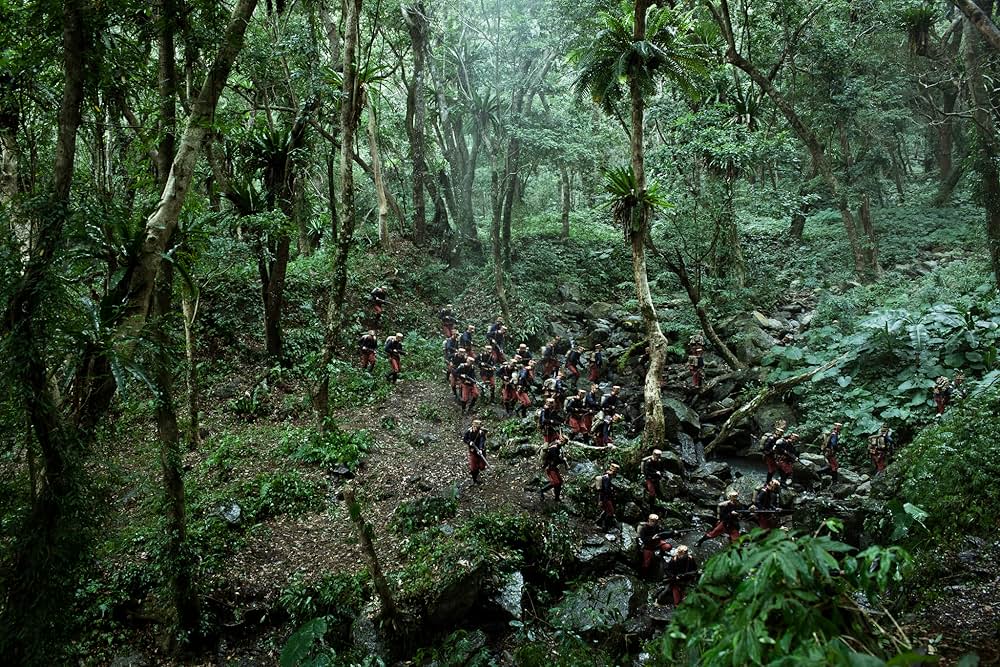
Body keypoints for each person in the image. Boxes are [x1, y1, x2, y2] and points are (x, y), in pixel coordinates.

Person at [637, 514, 672, 578]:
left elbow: (665, 533)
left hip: (657, 543)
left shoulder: (657, 527)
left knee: (668, 546)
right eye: (652, 521)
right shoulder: (644, 528)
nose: (654, 522)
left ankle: (662, 553)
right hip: (648, 546)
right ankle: (643, 576)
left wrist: (672, 533)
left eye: (655, 521)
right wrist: (652, 538)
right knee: (646, 564)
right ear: (649, 520)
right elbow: (643, 539)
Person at [539, 435, 568, 502]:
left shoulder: (558, 448)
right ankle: (542, 490)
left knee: (560, 482)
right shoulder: (553, 448)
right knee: (556, 482)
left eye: (563, 442)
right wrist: (563, 460)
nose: (562, 443)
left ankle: (557, 498)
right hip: (550, 468)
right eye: (562, 441)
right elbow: (556, 460)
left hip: (554, 468)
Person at [596, 463, 620, 529]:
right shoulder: (607, 478)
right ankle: (604, 527)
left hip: (607, 497)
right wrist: (601, 500)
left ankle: (599, 522)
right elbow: (604, 490)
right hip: (605, 498)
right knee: (610, 512)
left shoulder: (608, 477)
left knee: (607, 511)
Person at [464, 419, 488, 484]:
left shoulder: (481, 433)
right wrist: (469, 442)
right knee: (473, 466)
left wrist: (480, 449)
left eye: (476, 427)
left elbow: (482, 441)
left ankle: (478, 472)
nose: (475, 428)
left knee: (482, 466)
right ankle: (475, 479)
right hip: (472, 451)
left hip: (480, 451)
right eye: (474, 427)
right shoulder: (469, 431)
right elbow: (465, 439)